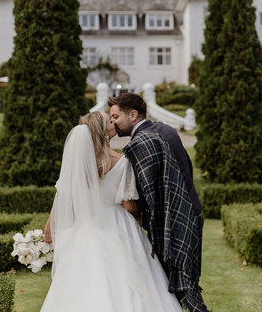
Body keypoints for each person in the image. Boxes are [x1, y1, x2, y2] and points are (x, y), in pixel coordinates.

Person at [40, 111, 183, 312]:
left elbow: (62, 203)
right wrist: (141, 219)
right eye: (109, 121)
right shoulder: (122, 161)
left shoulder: (77, 163)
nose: (114, 123)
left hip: (85, 227)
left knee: (82, 286)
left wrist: (49, 231)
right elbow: (128, 204)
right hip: (118, 226)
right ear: (103, 132)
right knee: (132, 281)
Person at [109, 93, 208, 312]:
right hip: (192, 209)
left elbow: (150, 190)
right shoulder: (165, 130)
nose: (113, 122)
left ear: (133, 115)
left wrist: (141, 216)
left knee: (180, 284)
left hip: (173, 220)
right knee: (187, 280)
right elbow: (186, 170)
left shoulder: (142, 142)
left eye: (116, 116)